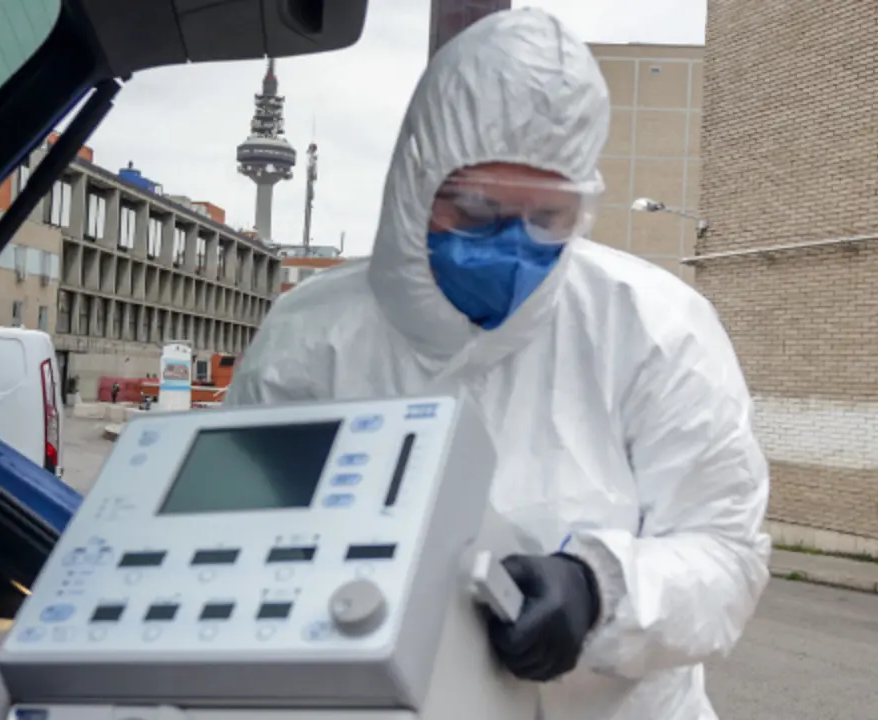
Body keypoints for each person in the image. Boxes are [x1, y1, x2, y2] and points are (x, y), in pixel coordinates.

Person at [225, 8, 770, 719]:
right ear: (416, 184)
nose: (512, 246)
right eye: (478, 210)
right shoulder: (313, 340)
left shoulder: (654, 329)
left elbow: (724, 553)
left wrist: (599, 591)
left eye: (548, 218)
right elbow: (235, 545)